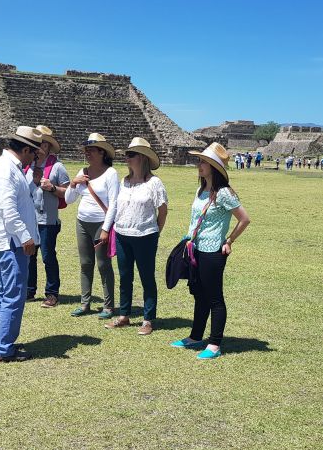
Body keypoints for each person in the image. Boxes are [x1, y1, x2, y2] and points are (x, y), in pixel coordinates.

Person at [169, 142, 250, 360]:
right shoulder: (201, 189)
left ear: (214, 167)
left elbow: (244, 219)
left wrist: (229, 240)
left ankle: (215, 343)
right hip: (195, 248)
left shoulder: (224, 193)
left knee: (214, 298)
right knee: (199, 295)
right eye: (200, 161)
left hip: (213, 251)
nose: (199, 165)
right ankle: (196, 336)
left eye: (203, 162)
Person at [0, 126, 43, 363]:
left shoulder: (10, 168)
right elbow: (7, 210)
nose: (35, 158)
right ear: (26, 149)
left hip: (10, 241)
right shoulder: (5, 169)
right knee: (14, 295)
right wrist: (25, 236)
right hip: (13, 242)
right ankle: (4, 348)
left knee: (5, 292)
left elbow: (18, 202)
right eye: (34, 153)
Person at [101, 138, 168, 335]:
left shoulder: (154, 183)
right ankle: (124, 315)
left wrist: (155, 232)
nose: (126, 158)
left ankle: (148, 319)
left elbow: (162, 211)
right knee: (125, 276)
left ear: (142, 158)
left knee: (147, 278)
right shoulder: (124, 181)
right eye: (126, 155)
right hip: (122, 234)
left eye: (131, 155)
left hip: (145, 235)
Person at [64, 133, 119, 319]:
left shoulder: (110, 173)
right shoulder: (83, 171)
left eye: (91, 150)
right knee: (85, 263)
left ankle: (109, 306)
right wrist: (73, 184)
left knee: (103, 264)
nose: (87, 153)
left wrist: (105, 228)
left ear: (103, 153)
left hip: (100, 223)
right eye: (86, 150)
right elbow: (69, 200)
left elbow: (113, 204)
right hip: (82, 222)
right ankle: (85, 303)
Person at [24, 125, 69, 307]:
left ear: (48, 147)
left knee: (48, 256)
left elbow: (68, 193)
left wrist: (52, 188)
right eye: (36, 144)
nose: (39, 148)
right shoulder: (27, 166)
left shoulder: (57, 167)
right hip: (30, 219)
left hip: (48, 221)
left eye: (43, 144)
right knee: (29, 256)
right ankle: (29, 290)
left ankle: (52, 293)